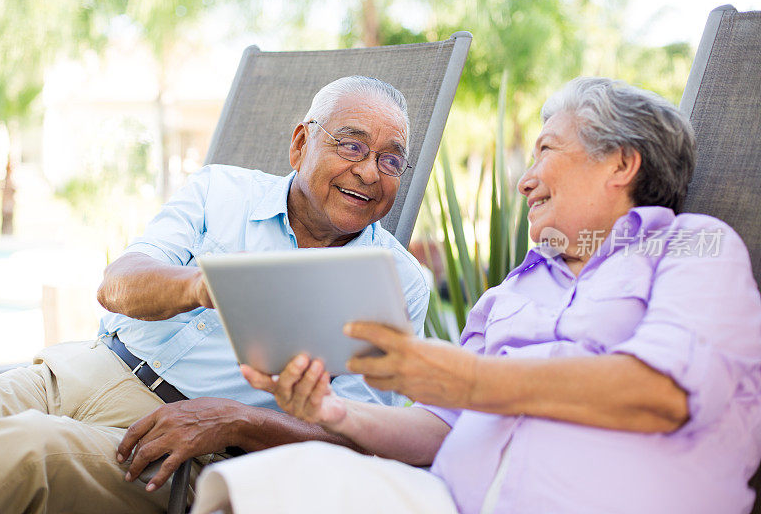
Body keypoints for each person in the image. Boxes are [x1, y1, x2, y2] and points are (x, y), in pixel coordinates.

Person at [193, 77, 761, 514]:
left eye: (545, 150)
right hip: (444, 500)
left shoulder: (693, 247)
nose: (525, 179)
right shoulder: (509, 293)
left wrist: (470, 380)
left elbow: (662, 392)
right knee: (260, 490)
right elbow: (437, 430)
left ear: (621, 163)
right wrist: (333, 412)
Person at [0, 76, 430, 514]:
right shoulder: (220, 190)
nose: (369, 172)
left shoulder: (396, 281)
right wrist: (209, 286)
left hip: (176, 444)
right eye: (351, 145)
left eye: (390, 159)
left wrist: (235, 421)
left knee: (26, 448)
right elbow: (117, 285)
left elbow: (359, 439)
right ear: (301, 143)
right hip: (75, 372)